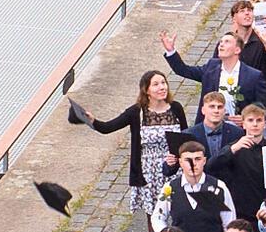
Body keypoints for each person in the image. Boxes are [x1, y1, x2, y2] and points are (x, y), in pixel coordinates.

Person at [74, 70, 187, 215]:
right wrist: (93, 121)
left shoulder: (176, 108)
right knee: (154, 214)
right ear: (146, 90)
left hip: (173, 168)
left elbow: (185, 137)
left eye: (163, 83)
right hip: (149, 171)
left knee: (179, 212)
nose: (162, 87)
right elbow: (108, 127)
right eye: (156, 84)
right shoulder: (136, 112)